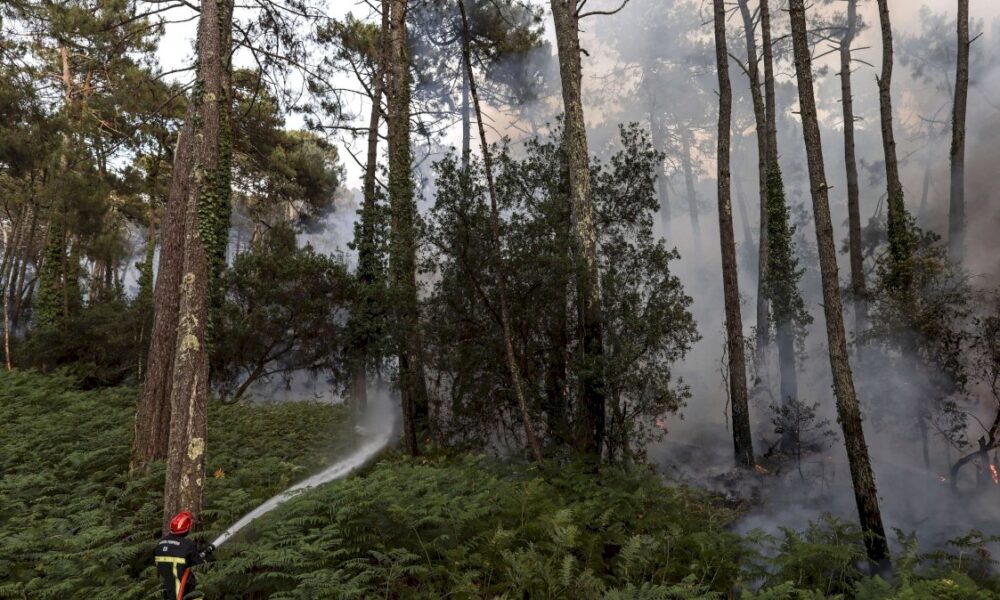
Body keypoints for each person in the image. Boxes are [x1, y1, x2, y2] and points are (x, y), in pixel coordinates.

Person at [155, 511, 215, 600]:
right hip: (183, 592)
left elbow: (175, 554)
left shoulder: (160, 543)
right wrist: (207, 558)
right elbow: (200, 566)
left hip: (165, 590)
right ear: (186, 528)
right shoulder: (188, 545)